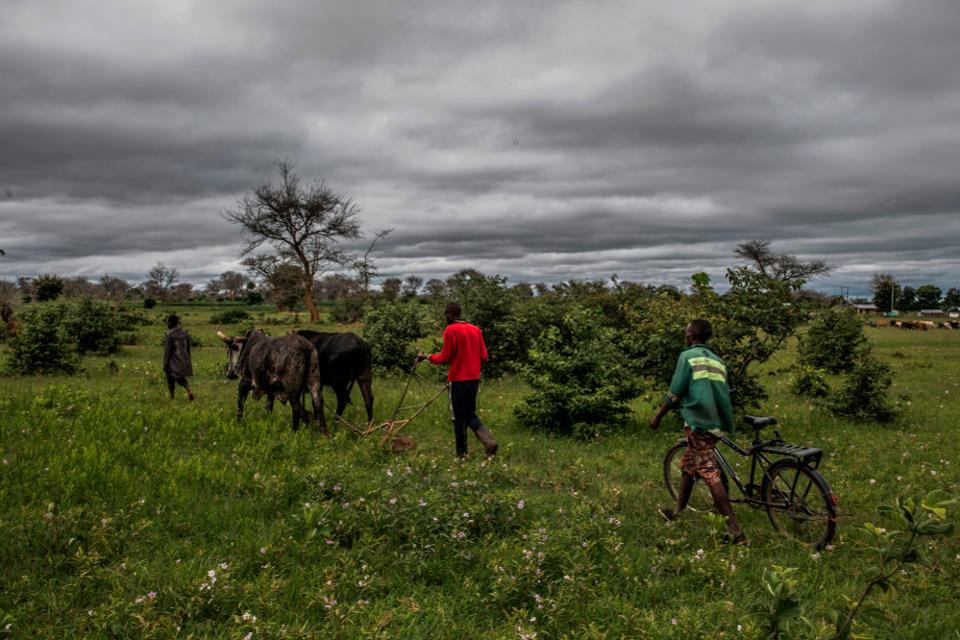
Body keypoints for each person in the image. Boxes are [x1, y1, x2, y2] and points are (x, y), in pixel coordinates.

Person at [649, 319, 745, 544]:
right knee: (689, 466)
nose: (685, 336)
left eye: (686, 333)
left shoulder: (688, 356)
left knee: (710, 474)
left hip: (699, 422)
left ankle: (736, 532)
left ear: (691, 335)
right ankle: (677, 512)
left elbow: (676, 393)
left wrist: (658, 415)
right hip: (717, 422)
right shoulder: (717, 360)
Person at [417, 302, 498, 458]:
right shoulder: (475, 329)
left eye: (445, 314)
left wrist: (426, 357)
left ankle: (462, 455)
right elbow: (484, 356)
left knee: (458, 418)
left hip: (458, 380)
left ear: (449, 315)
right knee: (469, 413)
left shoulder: (450, 330)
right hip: (474, 379)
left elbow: (445, 357)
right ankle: (488, 441)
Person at [163, 314, 194, 401]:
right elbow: (188, 348)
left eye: (167, 322)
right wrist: (188, 360)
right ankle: (189, 390)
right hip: (184, 359)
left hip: (174, 360)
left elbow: (168, 351)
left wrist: (165, 363)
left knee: (170, 378)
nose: (167, 324)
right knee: (180, 378)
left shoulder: (169, 334)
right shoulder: (184, 332)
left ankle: (172, 397)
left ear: (170, 323)